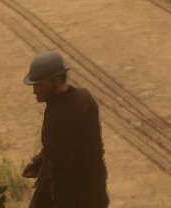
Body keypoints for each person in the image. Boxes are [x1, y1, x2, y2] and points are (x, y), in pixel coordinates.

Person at [22, 51, 108, 207]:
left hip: (72, 197)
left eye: (40, 84)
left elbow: (62, 172)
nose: (35, 90)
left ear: (58, 80)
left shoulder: (57, 117)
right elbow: (76, 146)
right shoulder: (85, 97)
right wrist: (39, 162)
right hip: (95, 192)